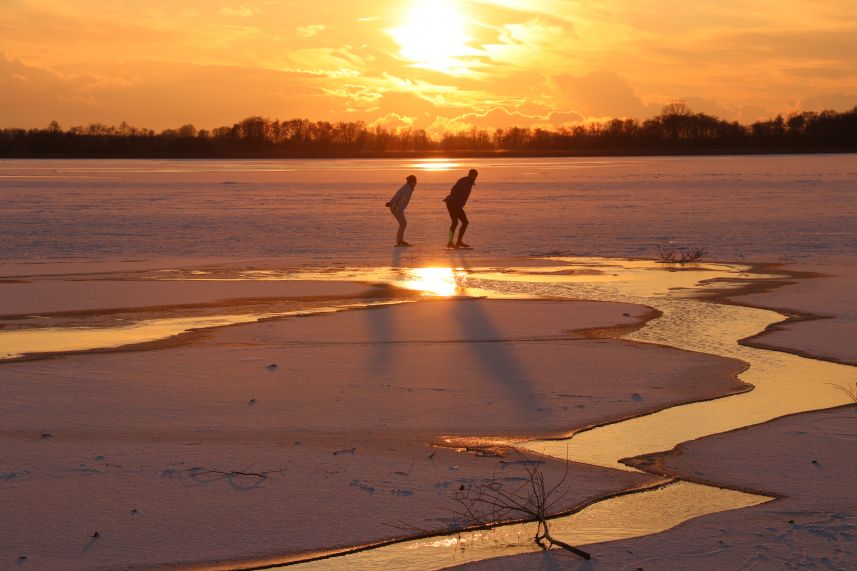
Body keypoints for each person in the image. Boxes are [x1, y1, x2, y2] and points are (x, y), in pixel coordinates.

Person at [443, 169, 478, 248]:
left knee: (464, 222)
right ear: (471, 175)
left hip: (456, 205)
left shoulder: (469, 182)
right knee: (456, 222)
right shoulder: (464, 181)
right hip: (452, 204)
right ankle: (450, 242)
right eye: (475, 176)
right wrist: (453, 199)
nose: (475, 178)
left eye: (476, 176)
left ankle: (458, 241)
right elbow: (454, 189)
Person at [386, 174, 417, 246]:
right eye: (415, 181)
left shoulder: (409, 188)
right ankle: (400, 241)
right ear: (411, 182)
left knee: (403, 224)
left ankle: (400, 240)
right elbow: (397, 195)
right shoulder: (405, 189)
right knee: (403, 224)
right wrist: (391, 203)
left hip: (399, 208)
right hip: (396, 208)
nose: (416, 183)